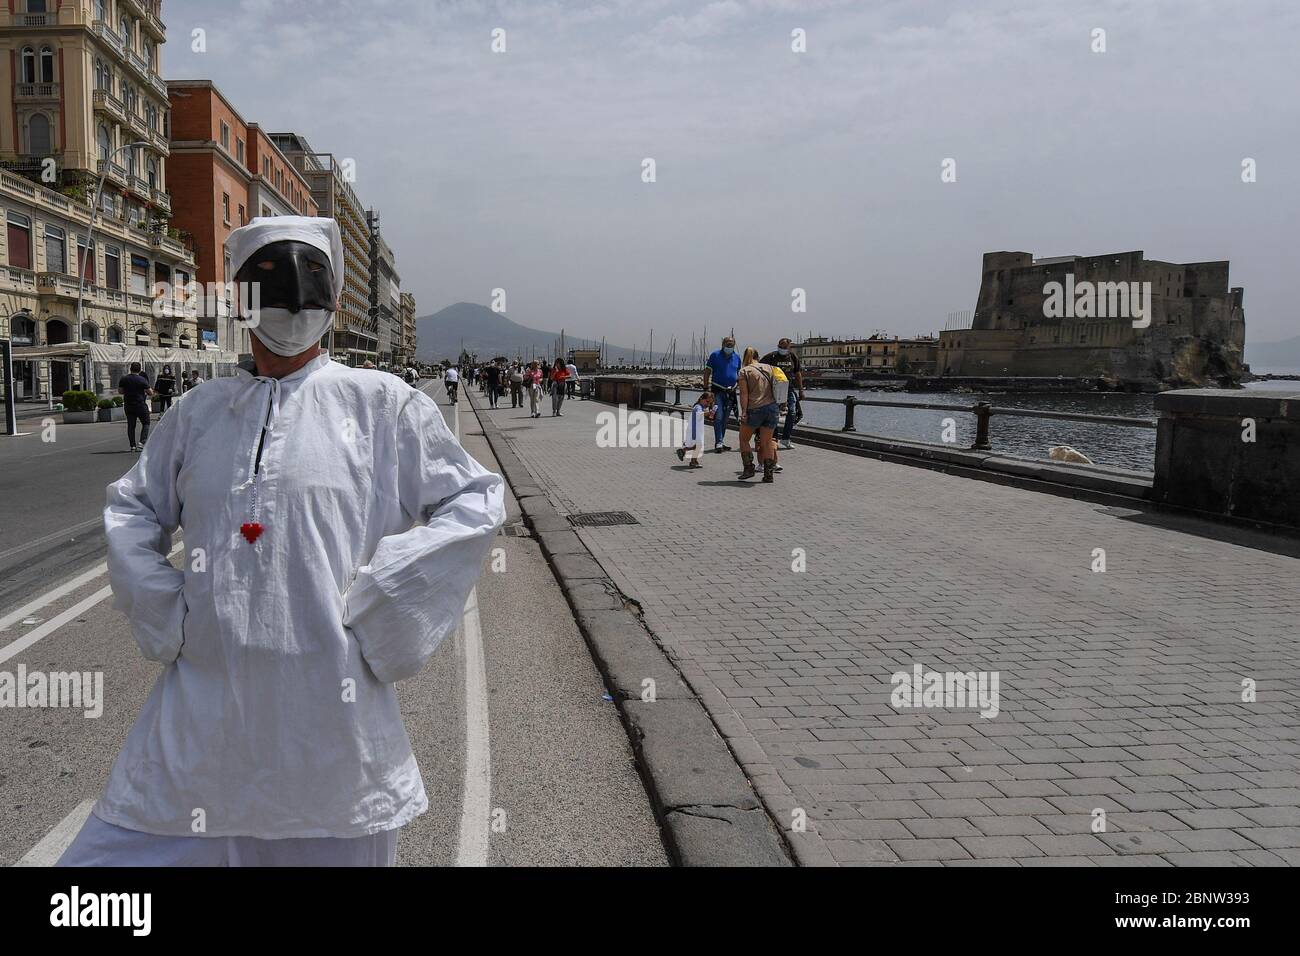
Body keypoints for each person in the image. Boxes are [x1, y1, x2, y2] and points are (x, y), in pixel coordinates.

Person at [57, 215, 504, 868]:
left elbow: (475, 501)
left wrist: (385, 608)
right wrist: (165, 613)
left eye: (308, 277)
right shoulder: (198, 414)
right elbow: (132, 509)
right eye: (268, 279)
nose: (291, 298)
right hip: (193, 749)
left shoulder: (384, 406)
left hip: (334, 759)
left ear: (332, 296)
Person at [736, 347, 780, 482]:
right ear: (758, 356)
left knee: (744, 440)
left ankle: (749, 469)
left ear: (745, 358)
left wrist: (744, 412)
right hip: (772, 408)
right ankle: (769, 474)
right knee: (767, 442)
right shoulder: (770, 368)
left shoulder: (744, 371)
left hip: (754, 409)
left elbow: (744, 394)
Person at [760, 338, 804, 450]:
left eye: (785, 347)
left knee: (792, 411)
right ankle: (773, 438)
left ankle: (786, 438)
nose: (782, 349)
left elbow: (798, 373)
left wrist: (801, 390)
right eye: (780, 346)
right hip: (774, 389)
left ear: (789, 347)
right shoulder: (771, 356)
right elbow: (759, 368)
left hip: (789, 388)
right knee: (774, 413)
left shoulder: (793, 357)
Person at [703, 336, 740, 453]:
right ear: (723, 344)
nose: (729, 346)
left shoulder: (737, 357)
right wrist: (706, 388)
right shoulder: (715, 355)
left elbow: (739, 374)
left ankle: (721, 441)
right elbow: (707, 372)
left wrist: (737, 385)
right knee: (718, 416)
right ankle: (718, 442)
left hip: (731, 392)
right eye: (727, 344)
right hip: (717, 391)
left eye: (731, 344)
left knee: (725, 418)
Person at [117, 362, 153, 452]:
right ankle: (141, 443)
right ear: (140, 370)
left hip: (128, 405)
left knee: (131, 425)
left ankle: (132, 445)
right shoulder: (142, 379)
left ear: (130, 369)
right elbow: (150, 392)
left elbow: (120, 391)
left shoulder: (124, 379)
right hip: (140, 404)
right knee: (146, 423)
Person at [675, 391, 713, 469]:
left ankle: (692, 460)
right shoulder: (698, 407)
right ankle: (686, 454)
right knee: (698, 445)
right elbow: (699, 415)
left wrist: (709, 415)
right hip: (694, 430)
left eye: (710, 403)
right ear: (701, 399)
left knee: (697, 445)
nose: (708, 404)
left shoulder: (700, 407)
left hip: (696, 430)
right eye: (707, 402)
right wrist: (709, 413)